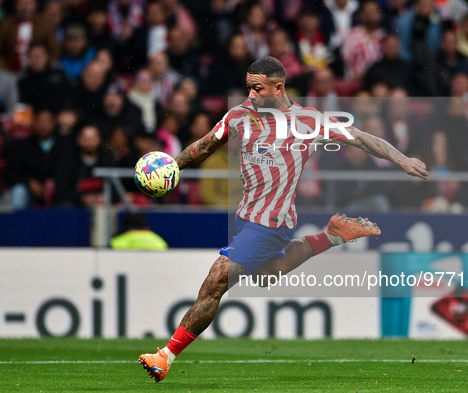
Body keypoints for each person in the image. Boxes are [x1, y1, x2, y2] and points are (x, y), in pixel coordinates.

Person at [138, 56, 428, 382]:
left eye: (257, 89)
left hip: (272, 223)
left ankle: (165, 356)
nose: (250, 95)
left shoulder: (308, 121)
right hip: (247, 218)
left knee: (218, 278)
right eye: (248, 88)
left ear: (278, 87)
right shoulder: (240, 115)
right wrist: (172, 169)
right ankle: (333, 235)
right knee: (268, 274)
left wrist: (401, 159)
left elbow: (361, 138)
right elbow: (205, 145)